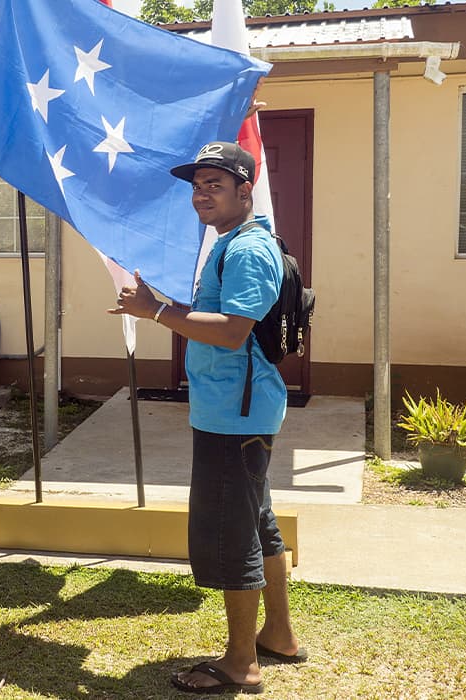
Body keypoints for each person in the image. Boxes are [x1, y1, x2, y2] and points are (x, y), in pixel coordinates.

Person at [109, 141, 306, 695]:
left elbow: (231, 330)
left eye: (215, 185)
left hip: (235, 416)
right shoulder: (234, 243)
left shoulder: (246, 249)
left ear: (245, 191)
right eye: (197, 185)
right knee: (257, 524)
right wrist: (162, 304)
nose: (202, 194)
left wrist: (158, 312)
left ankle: (241, 661)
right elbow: (222, 316)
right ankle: (279, 635)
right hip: (238, 409)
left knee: (229, 534)